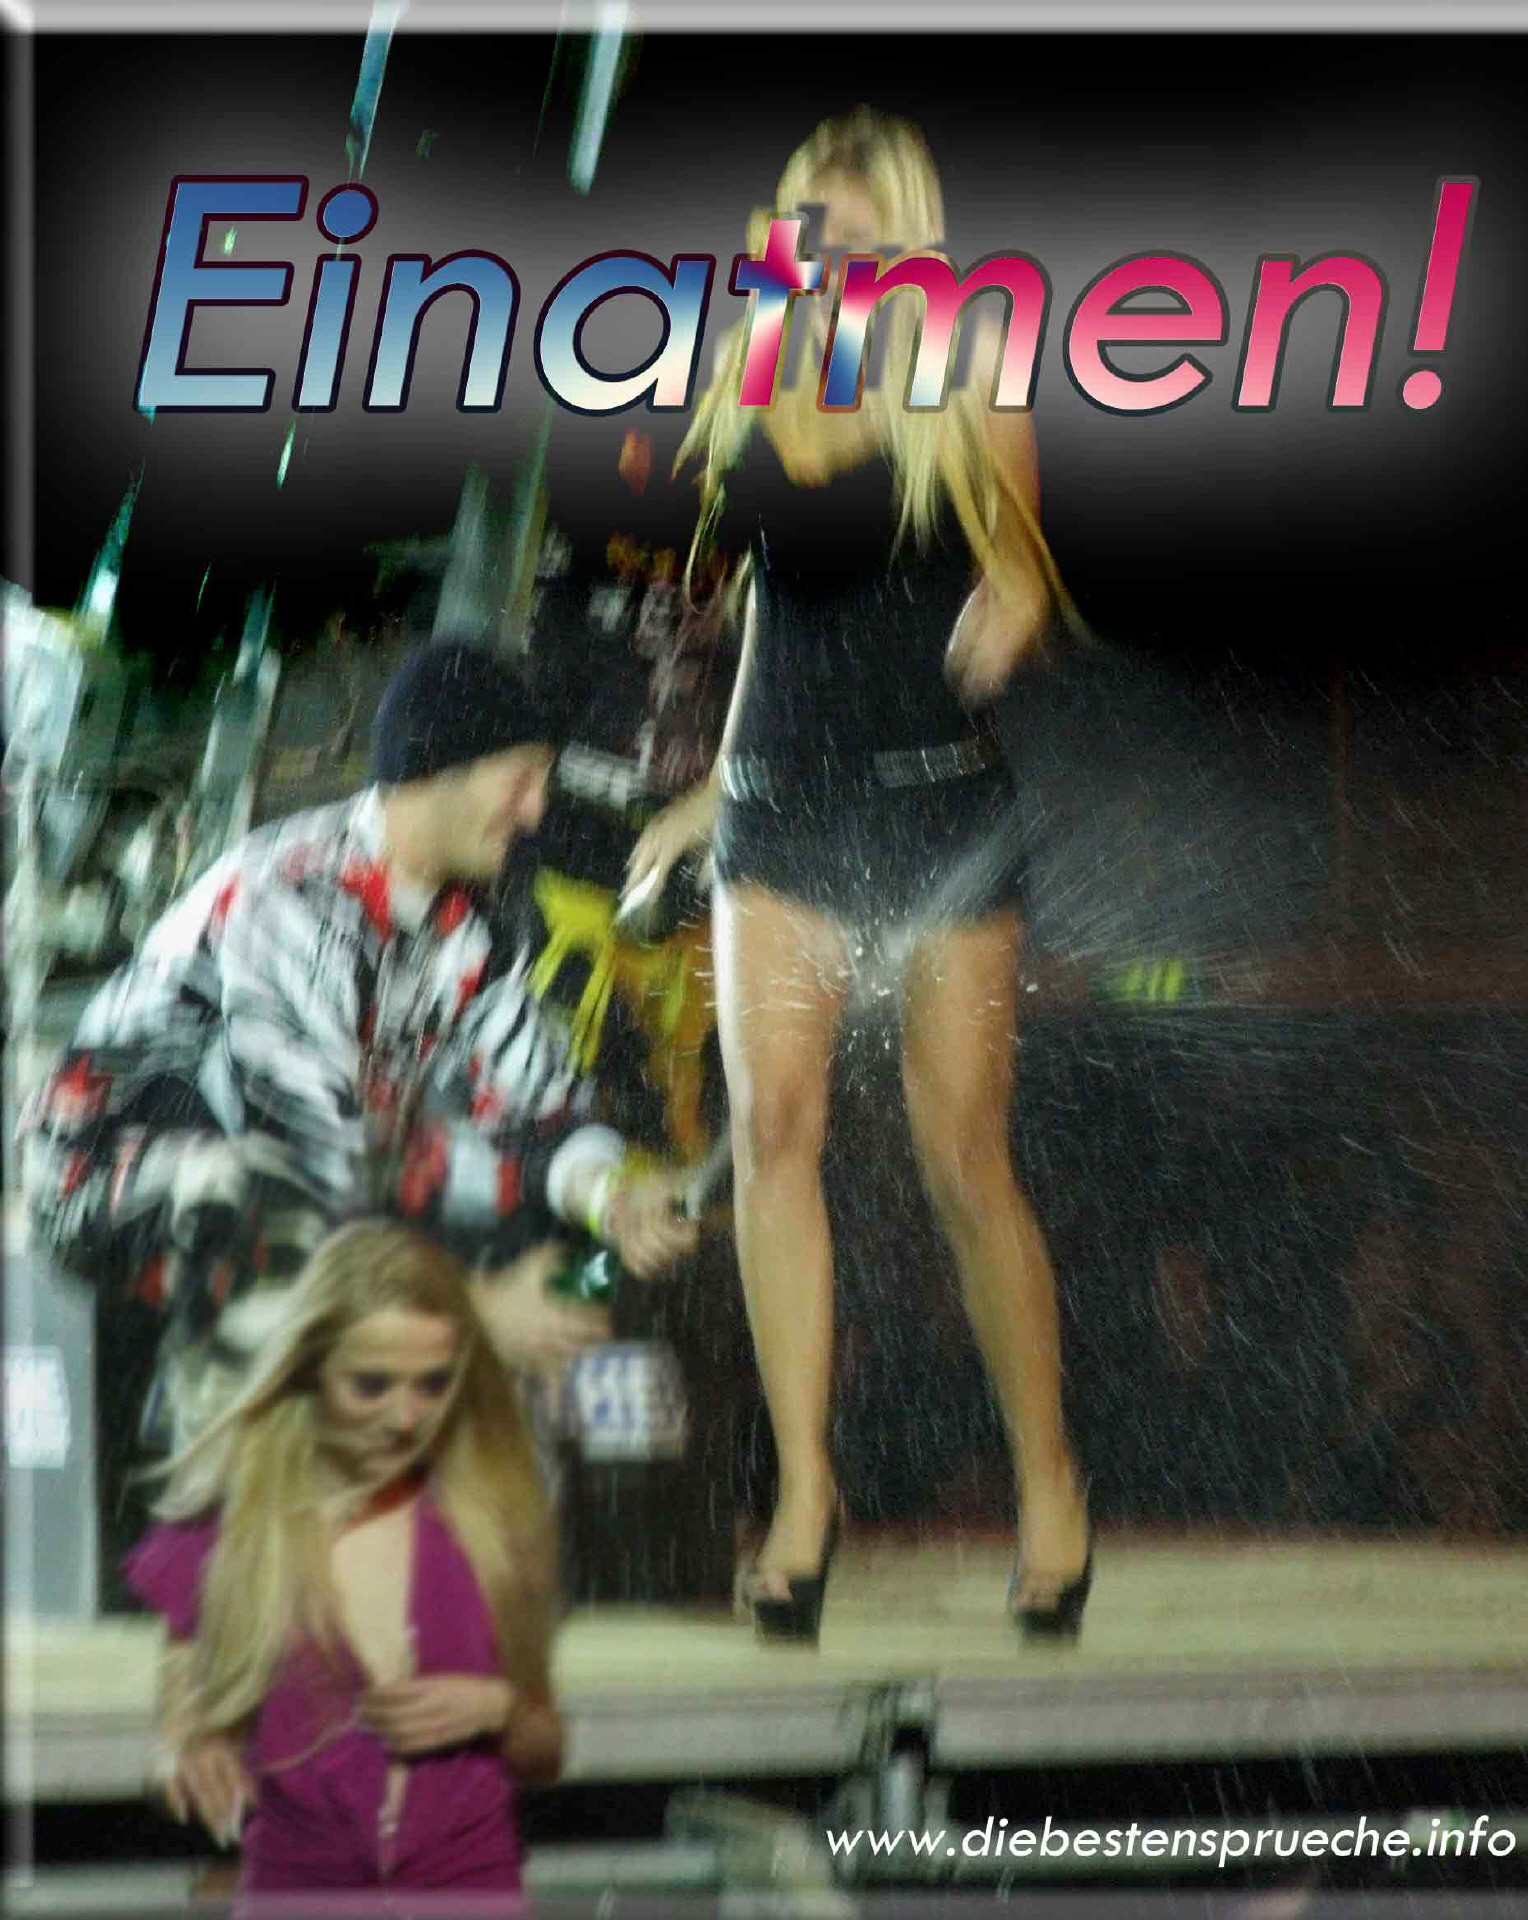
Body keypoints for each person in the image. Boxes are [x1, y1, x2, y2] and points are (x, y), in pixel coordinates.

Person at [625, 107, 1092, 1642]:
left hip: (935, 807)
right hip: (781, 809)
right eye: (807, 229)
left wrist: (1013, 614)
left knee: (961, 1156)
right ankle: (805, 1498)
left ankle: (1046, 1481)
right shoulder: (760, 347)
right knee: (775, 1131)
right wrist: (712, 786)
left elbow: (1019, 563)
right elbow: (776, 587)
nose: (830, 259)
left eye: (859, 236)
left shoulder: (972, 363)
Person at [21, 638, 697, 1455]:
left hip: (319, 1180)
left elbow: (543, 1105)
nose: (534, 812)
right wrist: (481, 1311)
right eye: (521, 780)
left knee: (526, 1206)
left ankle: (500, 1445)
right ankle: (210, 1427)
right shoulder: (293, 900)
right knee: (252, 1191)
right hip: (113, 1181)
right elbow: (308, 1180)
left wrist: (611, 1199)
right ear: (439, 769)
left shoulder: (468, 924)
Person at [125, 1219, 560, 1916]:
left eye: (433, 1384)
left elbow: (544, 1750)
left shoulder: (488, 1524)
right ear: (310, 1370)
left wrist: (497, 1709)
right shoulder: (231, 1529)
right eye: (371, 1385)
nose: (405, 1416)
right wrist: (182, 1753)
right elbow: (180, 1733)